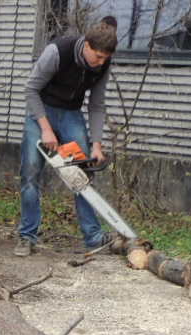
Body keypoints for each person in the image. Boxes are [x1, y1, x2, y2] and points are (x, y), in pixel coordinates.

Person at [13, 20, 117, 255]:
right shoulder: (57, 52)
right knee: (30, 174)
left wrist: (96, 145)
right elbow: (31, 90)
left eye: (105, 58)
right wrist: (46, 129)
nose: (101, 62)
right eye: (98, 57)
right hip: (41, 112)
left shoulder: (103, 64)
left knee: (82, 175)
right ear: (87, 45)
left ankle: (93, 237)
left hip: (71, 114)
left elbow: (97, 104)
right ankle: (27, 236)